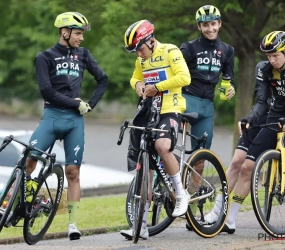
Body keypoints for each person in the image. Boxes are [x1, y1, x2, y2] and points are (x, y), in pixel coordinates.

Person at [25, 12, 109, 240]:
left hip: (74, 122)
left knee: (73, 172)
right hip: (51, 116)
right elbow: (46, 91)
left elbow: (103, 79)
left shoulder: (84, 55)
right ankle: (17, 201)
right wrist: (74, 102)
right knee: (29, 162)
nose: (81, 38)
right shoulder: (45, 56)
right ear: (65, 32)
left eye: (82, 34)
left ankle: (73, 224)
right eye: (78, 33)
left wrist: (90, 105)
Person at [218, 31, 285, 234]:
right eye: (268, 56)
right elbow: (262, 102)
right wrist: (250, 118)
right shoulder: (264, 69)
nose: (271, 60)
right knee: (247, 166)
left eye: (275, 55)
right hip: (276, 116)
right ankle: (230, 219)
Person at [120, 19, 191, 240]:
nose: (138, 54)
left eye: (139, 48)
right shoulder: (141, 61)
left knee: (162, 145)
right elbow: (135, 78)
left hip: (171, 107)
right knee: (144, 169)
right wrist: (138, 86)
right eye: (134, 51)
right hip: (150, 111)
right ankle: (140, 226)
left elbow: (184, 77)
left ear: (150, 41)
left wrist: (157, 87)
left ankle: (181, 194)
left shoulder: (170, 50)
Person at [180, 4, 235, 231]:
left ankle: (191, 210)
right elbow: (176, 74)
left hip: (207, 107)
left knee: (200, 159)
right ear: (199, 27)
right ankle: (163, 188)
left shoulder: (228, 51)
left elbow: (226, 83)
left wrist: (229, 90)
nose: (210, 28)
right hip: (186, 100)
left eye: (214, 24)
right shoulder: (189, 48)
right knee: (173, 148)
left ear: (219, 24)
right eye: (205, 25)